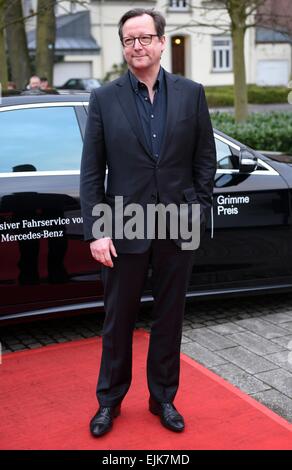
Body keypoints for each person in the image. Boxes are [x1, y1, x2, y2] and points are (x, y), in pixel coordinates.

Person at [80, 8, 216, 438]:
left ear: (161, 42)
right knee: (117, 320)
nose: (136, 46)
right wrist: (97, 229)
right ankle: (109, 403)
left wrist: (199, 209)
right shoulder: (104, 98)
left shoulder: (192, 93)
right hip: (124, 227)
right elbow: (91, 171)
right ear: (123, 47)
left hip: (178, 225)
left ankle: (163, 398)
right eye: (128, 40)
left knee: (170, 318)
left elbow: (204, 160)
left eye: (144, 38)